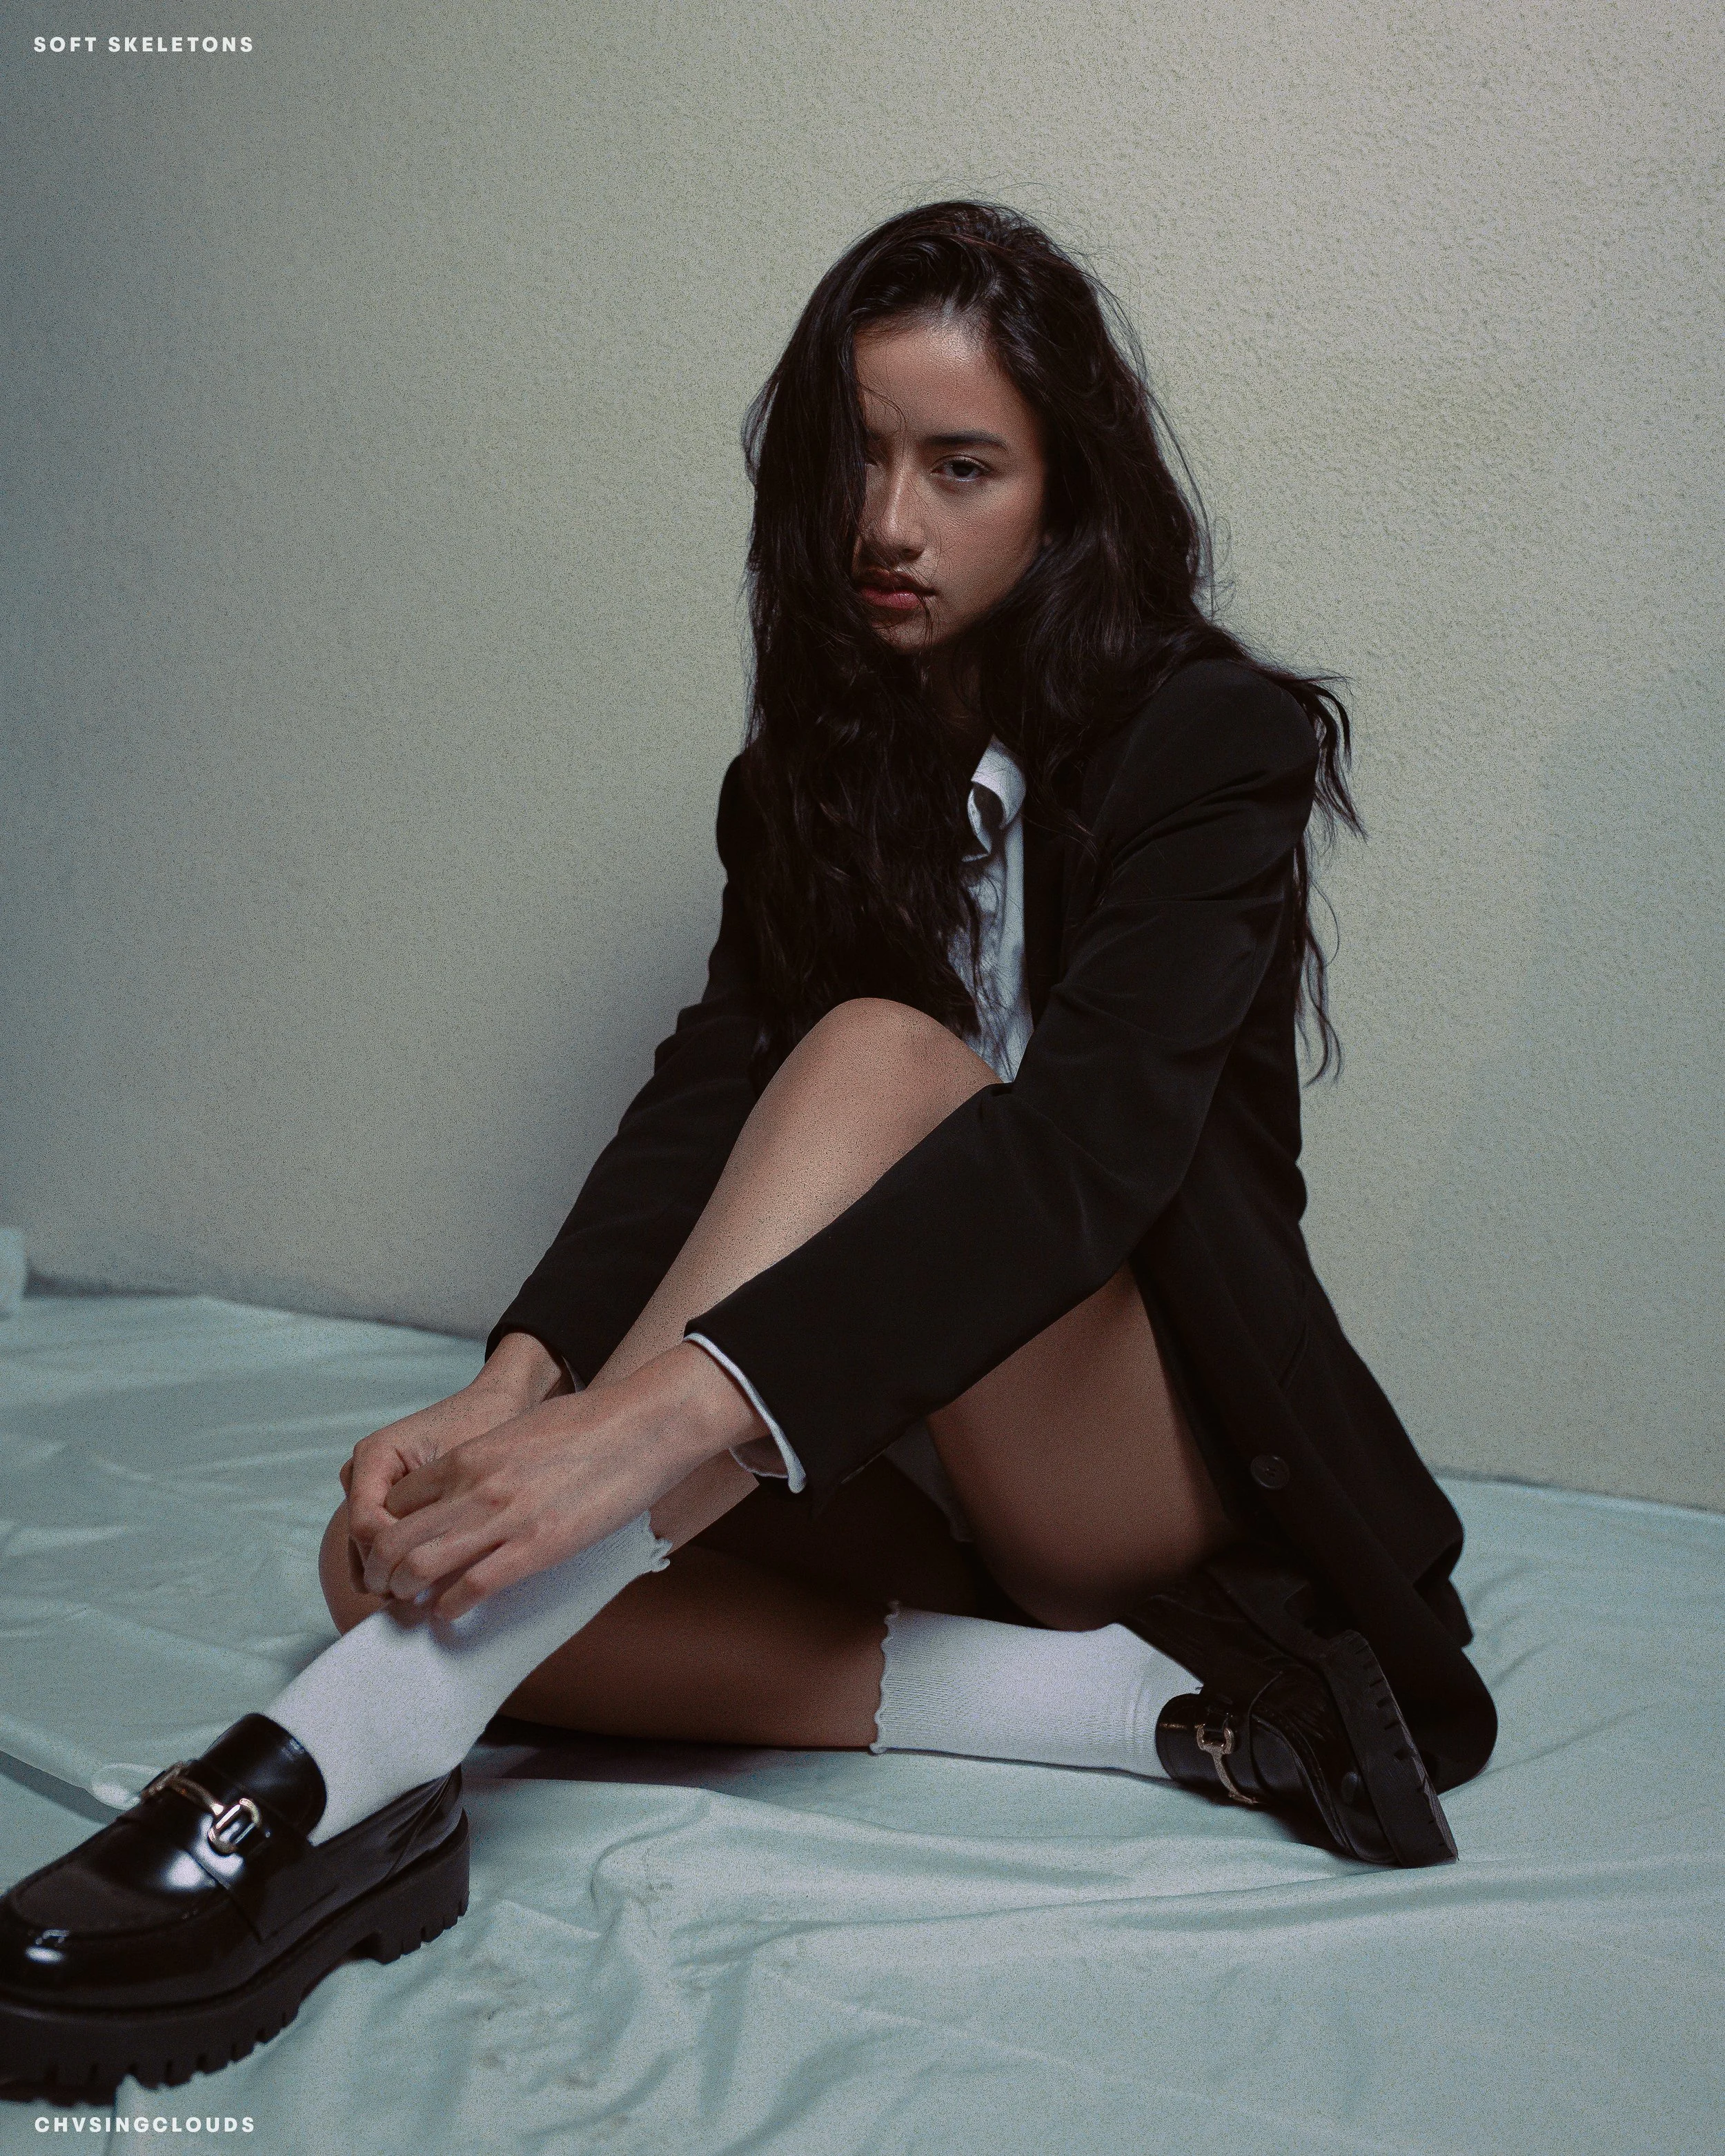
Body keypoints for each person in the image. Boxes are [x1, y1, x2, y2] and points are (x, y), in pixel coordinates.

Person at [0, 202, 1497, 2095]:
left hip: (1143, 1441)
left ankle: (311, 1781)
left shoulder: (1213, 742)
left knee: (882, 1057)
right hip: (884, 1426)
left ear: (1064, 488)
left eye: (961, 468)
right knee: (389, 1560)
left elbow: (1086, 1159)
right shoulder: (813, 763)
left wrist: (634, 1433)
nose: (887, 523)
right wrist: (518, 1384)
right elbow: (713, 1076)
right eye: (853, 462)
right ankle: (1109, 1705)